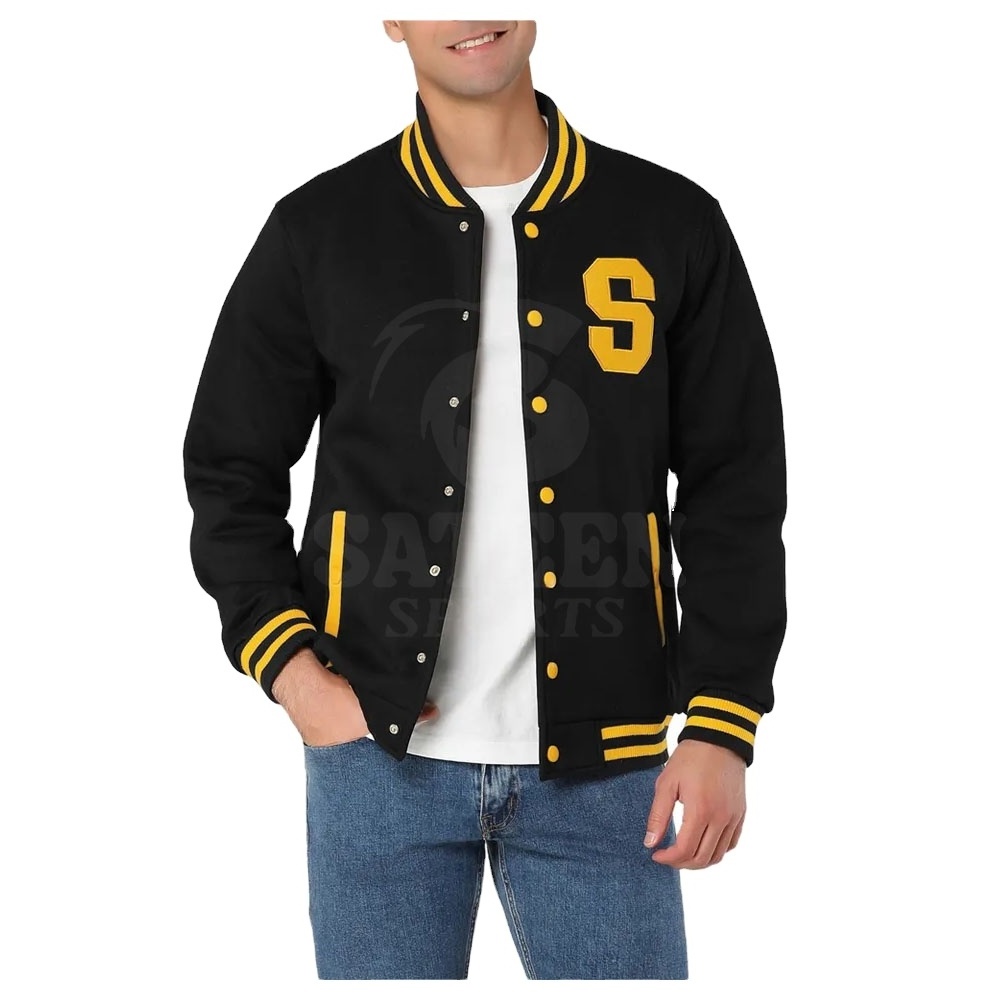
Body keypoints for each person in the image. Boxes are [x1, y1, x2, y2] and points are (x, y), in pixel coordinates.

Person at [182, 19, 787, 980]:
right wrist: (297, 680)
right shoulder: (320, 229)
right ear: (391, 17)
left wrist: (723, 721)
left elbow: (735, 486)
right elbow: (229, 469)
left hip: (611, 771)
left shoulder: (670, 221)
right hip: (376, 761)